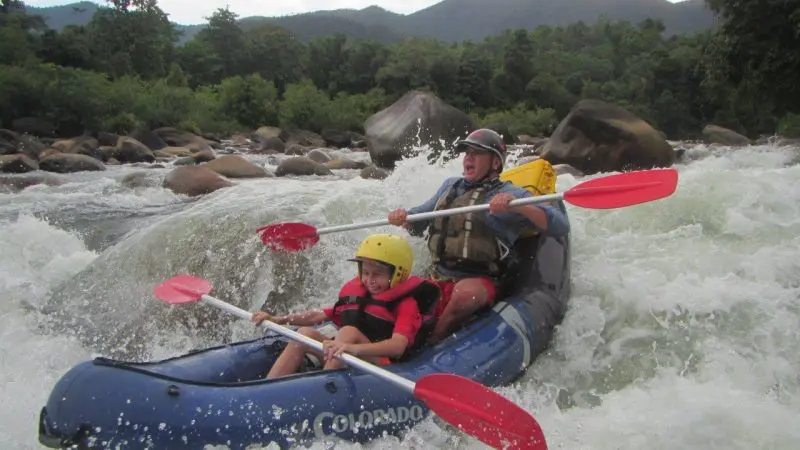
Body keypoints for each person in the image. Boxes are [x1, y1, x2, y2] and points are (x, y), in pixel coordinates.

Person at [387, 128, 570, 342]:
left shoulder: (512, 194)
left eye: (477, 153)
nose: (468, 158)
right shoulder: (450, 186)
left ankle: (430, 345)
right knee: (393, 291)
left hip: (481, 280)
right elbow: (419, 220)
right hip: (438, 274)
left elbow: (559, 225)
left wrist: (519, 208)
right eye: (467, 153)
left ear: (495, 163)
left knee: (464, 296)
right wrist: (404, 218)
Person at [251, 234, 440, 379]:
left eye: (377, 274)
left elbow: (398, 346)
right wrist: (279, 319)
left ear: (399, 273)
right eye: (365, 273)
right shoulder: (359, 294)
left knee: (349, 331)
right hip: (344, 353)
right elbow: (319, 315)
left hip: (381, 363)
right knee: (305, 334)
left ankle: (322, 388)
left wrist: (352, 348)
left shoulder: (406, 304)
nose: (370, 280)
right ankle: (269, 386)